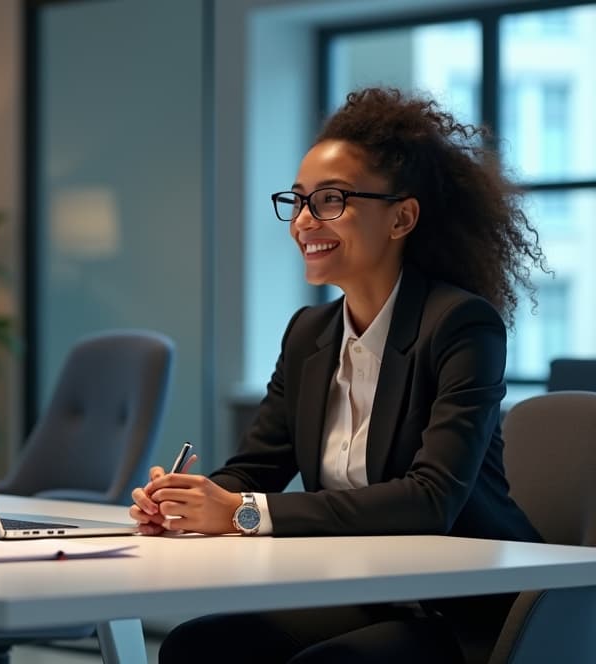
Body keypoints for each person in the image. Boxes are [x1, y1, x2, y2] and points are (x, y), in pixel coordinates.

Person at [132, 87, 547, 663]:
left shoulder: (460, 325)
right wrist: (189, 500)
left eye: (330, 200)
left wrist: (241, 513)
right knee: (199, 646)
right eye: (298, 201)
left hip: (467, 609)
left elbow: (431, 501)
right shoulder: (309, 334)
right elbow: (258, 467)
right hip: (365, 591)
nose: (304, 222)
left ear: (401, 217)